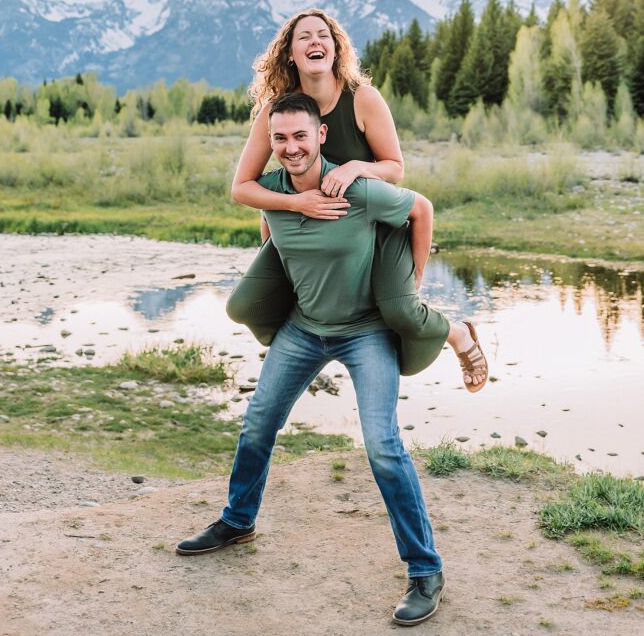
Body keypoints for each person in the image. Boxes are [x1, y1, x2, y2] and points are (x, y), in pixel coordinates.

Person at [176, 94, 486, 625]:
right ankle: (238, 520)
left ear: (321, 136)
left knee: (383, 445)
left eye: (301, 136)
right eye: (280, 139)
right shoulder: (271, 192)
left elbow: (421, 209)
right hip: (304, 331)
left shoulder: (355, 189)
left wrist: (412, 286)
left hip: (366, 333)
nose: (290, 147)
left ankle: (425, 570)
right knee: (256, 425)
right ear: (271, 144)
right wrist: (291, 210)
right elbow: (261, 222)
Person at [226, 8, 487, 387]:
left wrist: (353, 169)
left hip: (372, 225)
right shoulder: (277, 112)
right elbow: (243, 187)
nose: (315, 41)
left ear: (335, 48)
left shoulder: (362, 98)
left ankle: (458, 334)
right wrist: (296, 205)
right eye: (304, 37)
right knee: (245, 305)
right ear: (290, 54)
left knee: (401, 313)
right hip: (298, 226)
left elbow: (395, 167)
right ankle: (301, 341)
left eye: (323, 36)